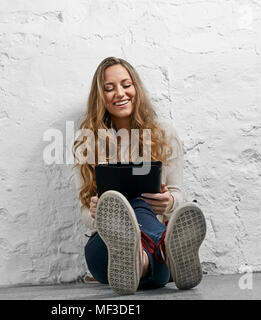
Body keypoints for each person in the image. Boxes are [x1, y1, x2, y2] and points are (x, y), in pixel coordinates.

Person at [72, 57, 206, 295]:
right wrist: (96, 212)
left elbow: (176, 192)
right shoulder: (86, 141)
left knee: (140, 204)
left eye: (126, 84)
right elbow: (84, 208)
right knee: (125, 206)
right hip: (106, 247)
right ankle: (163, 249)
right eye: (109, 88)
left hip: (146, 234)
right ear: (99, 97)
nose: (119, 93)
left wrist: (169, 202)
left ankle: (141, 260)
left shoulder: (163, 134)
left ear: (136, 88)